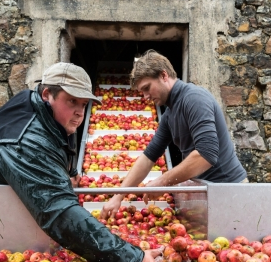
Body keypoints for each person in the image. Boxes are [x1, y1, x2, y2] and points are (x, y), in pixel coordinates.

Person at [0, 62, 170, 262]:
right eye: (72, 101)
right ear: (48, 94)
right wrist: (132, 261)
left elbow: (59, 148)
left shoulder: (44, 114)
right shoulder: (24, 142)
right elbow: (58, 212)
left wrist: (69, 173)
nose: (79, 111)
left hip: (4, 231)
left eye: (84, 103)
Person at [101, 50, 247, 219]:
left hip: (229, 191)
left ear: (164, 75)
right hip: (208, 191)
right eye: (142, 92)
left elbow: (206, 154)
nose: (146, 96)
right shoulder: (169, 115)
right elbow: (148, 157)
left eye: (147, 88)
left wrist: (162, 182)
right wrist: (117, 197)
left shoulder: (194, 99)